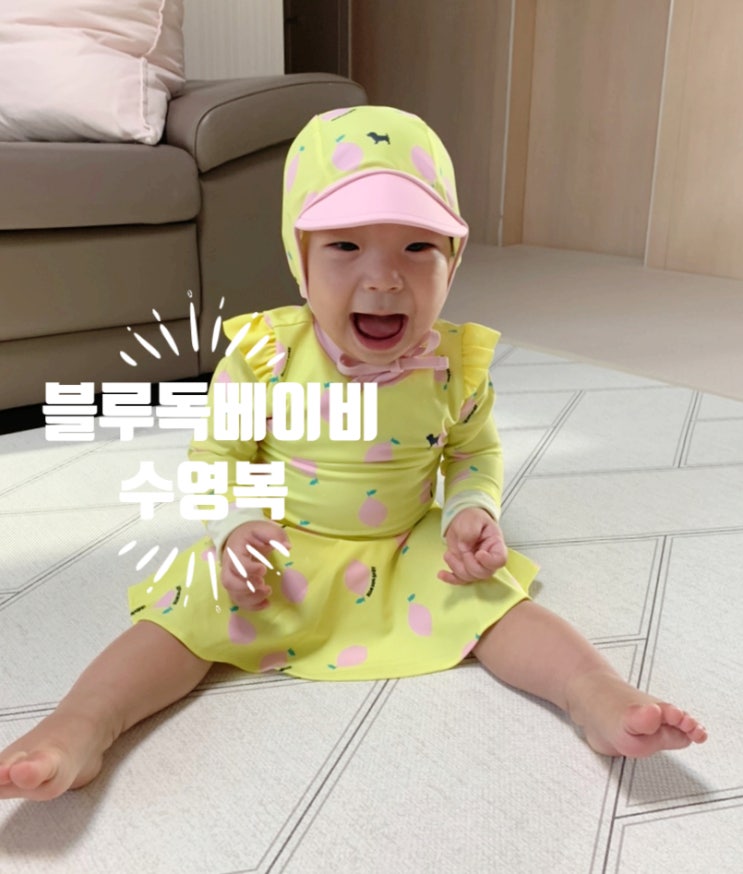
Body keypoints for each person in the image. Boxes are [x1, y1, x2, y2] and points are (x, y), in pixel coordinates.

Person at [0, 106, 707, 801]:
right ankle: (81, 725)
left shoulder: (455, 364)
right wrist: (236, 528)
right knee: (181, 620)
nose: (384, 277)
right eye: (344, 245)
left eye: (417, 247)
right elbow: (217, 456)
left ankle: (593, 694)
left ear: (454, 261)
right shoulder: (266, 356)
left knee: (498, 606)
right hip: (280, 549)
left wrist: (470, 509)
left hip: (406, 546)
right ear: (298, 257)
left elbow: (472, 453)